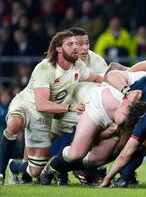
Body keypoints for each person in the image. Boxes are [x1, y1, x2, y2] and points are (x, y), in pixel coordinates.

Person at [0, 30, 103, 185]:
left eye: (76, 43)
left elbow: (95, 77)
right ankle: (0, 174)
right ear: (59, 48)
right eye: (70, 44)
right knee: (14, 123)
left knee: (35, 171)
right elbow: (41, 104)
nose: (76, 47)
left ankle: (14, 166)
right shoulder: (45, 68)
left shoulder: (78, 65)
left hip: (45, 116)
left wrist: (119, 79)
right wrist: (70, 107)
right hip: (28, 104)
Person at [38, 84, 142, 186]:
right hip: (96, 106)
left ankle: (61, 169)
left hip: (113, 118)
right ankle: (47, 165)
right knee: (36, 169)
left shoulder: (135, 116)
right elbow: (112, 71)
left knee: (98, 159)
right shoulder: (142, 79)